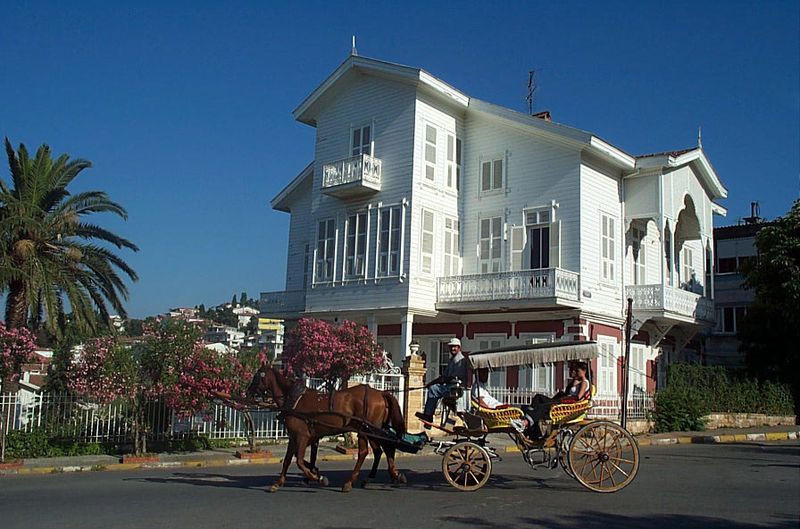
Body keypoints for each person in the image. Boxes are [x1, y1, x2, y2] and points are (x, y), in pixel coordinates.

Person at [511, 361, 591, 439]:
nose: (575, 372)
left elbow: (578, 397)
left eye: (577, 371)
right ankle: (534, 429)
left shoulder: (584, 382)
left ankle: (526, 422)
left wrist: (563, 399)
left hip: (566, 403)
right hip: (561, 400)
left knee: (541, 407)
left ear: (584, 371)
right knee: (537, 398)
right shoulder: (577, 382)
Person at [416, 337, 467, 425]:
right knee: (434, 388)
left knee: (433, 389)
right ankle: (429, 415)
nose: (452, 349)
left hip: (454, 388)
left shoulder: (460, 360)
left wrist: (432, 383)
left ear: (459, 348)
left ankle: (428, 415)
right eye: (451, 347)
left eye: (455, 347)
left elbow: (448, 378)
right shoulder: (453, 360)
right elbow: (444, 376)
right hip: (451, 387)